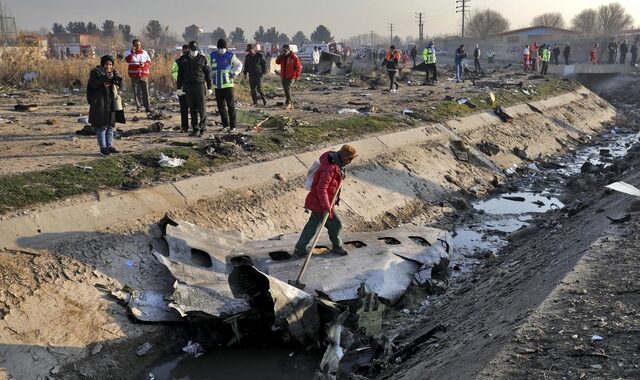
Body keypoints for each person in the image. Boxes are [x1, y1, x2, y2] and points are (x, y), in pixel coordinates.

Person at [293, 145, 358, 257]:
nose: (350, 162)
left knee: (315, 225)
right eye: (349, 159)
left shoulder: (337, 165)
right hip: (320, 202)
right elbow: (321, 188)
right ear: (343, 157)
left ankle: (300, 248)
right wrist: (326, 206)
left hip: (324, 202)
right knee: (334, 223)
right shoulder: (330, 168)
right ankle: (336, 246)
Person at [87, 55, 125, 156]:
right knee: (101, 126)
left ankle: (109, 146)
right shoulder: (95, 72)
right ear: (103, 64)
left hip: (111, 103)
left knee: (110, 126)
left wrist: (115, 78)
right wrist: (105, 78)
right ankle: (103, 148)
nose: (109, 66)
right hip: (100, 103)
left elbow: (120, 85)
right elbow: (93, 84)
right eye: (107, 64)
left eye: (111, 64)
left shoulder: (114, 73)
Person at [177, 41, 212, 137]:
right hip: (188, 86)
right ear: (189, 49)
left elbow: (207, 74)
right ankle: (195, 128)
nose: (194, 52)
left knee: (202, 108)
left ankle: (203, 128)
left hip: (199, 85)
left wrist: (209, 87)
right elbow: (180, 75)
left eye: (195, 50)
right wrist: (178, 88)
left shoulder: (202, 59)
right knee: (192, 108)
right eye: (192, 50)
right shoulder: (183, 59)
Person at [210, 39, 243, 132]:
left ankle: (233, 126)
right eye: (220, 48)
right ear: (217, 48)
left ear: (226, 47)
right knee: (221, 107)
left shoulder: (230, 55)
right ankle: (225, 125)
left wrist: (235, 72)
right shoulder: (212, 56)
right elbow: (208, 67)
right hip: (217, 86)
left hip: (228, 85)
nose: (221, 49)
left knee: (230, 106)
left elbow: (239, 64)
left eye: (223, 48)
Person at [125, 39, 152, 113]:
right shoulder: (128, 52)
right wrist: (132, 53)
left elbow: (149, 62)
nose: (138, 47)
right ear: (133, 46)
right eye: (136, 45)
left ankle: (147, 107)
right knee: (136, 92)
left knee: (145, 91)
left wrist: (144, 64)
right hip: (134, 75)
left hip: (144, 74)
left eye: (139, 45)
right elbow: (127, 60)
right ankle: (139, 107)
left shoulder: (144, 53)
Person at [275, 44, 302, 110]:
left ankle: (288, 102)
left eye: (285, 50)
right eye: (283, 50)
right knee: (285, 89)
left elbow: (298, 67)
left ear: (288, 49)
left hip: (291, 76)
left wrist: (297, 76)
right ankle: (290, 102)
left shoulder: (293, 57)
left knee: (287, 88)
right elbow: (277, 62)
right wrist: (280, 56)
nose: (284, 51)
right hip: (284, 76)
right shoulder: (282, 57)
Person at [171, 44, 190, 132]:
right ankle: (184, 126)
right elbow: (174, 71)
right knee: (183, 108)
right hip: (182, 88)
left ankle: (195, 125)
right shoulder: (178, 61)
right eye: (184, 51)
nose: (185, 52)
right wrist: (181, 78)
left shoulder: (194, 60)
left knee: (194, 108)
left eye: (187, 50)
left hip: (192, 89)